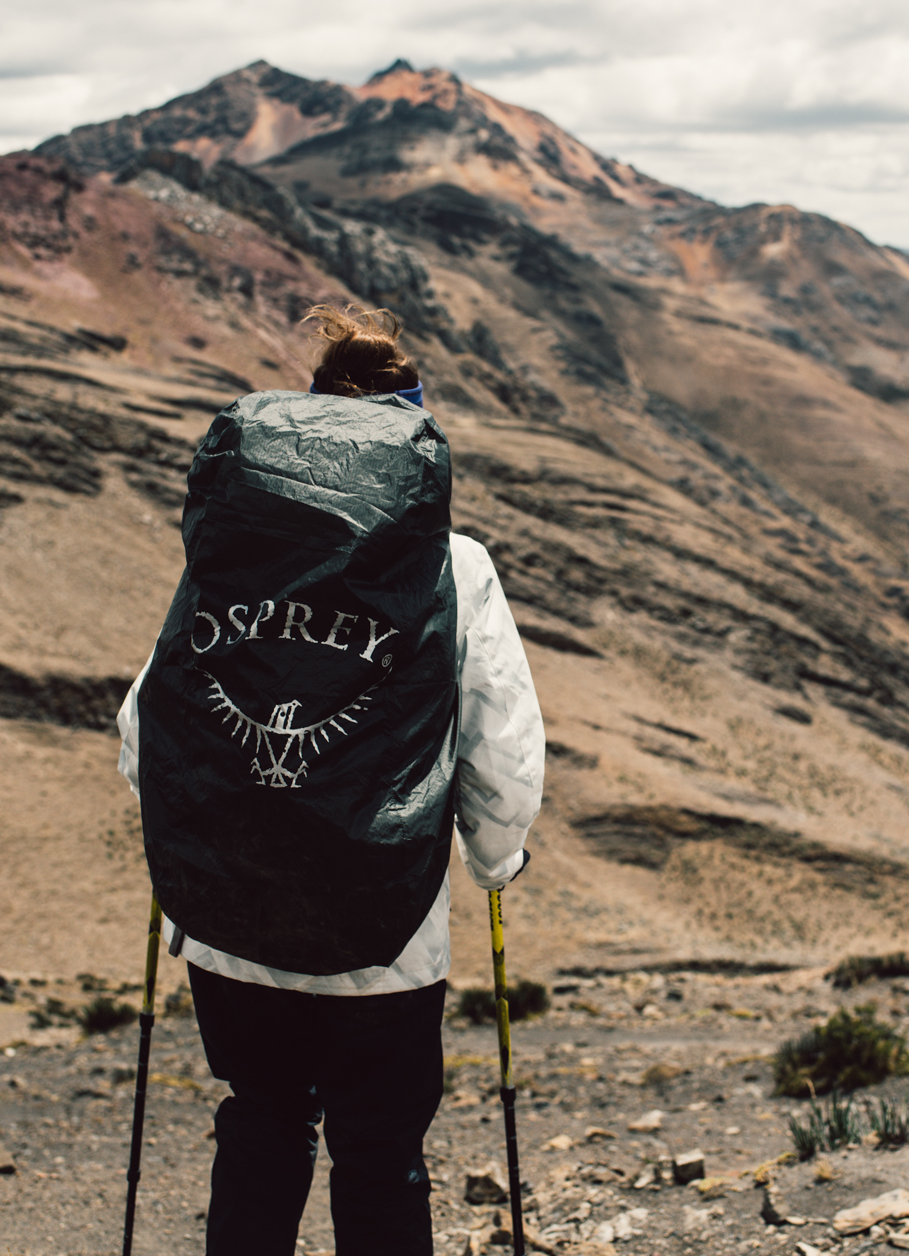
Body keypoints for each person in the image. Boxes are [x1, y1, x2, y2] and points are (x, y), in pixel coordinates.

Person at [116, 305, 544, 1256]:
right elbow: (501, 744)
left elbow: (145, 723)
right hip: (382, 928)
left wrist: (194, 831)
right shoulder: (451, 564)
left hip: (231, 921)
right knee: (378, 1142)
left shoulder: (230, 555)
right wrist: (498, 855)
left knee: (260, 1117)